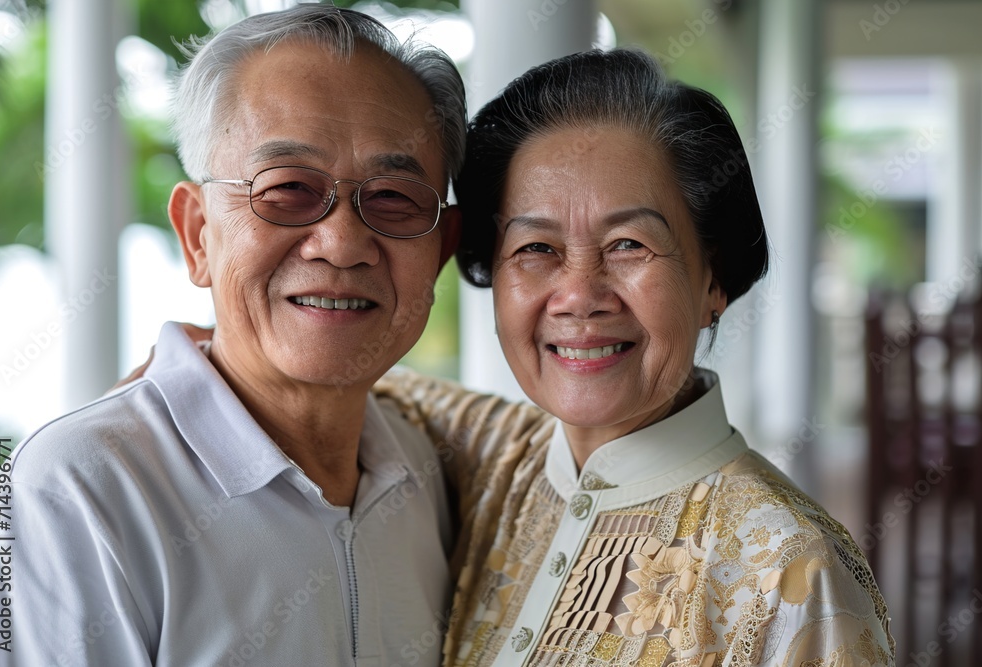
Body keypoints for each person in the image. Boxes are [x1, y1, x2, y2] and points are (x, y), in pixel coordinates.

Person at [375, 49, 895, 665]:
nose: (579, 296)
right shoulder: (493, 463)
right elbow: (349, 385)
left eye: (629, 244)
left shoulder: (794, 573)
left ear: (713, 280)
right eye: (536, 246)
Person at [0, 5, 464, 665]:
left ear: (441, 250)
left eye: (393, 199)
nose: (344, 243)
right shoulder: (73, 494)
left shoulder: (432, 472)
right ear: (198, 234)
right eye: (289, 188)